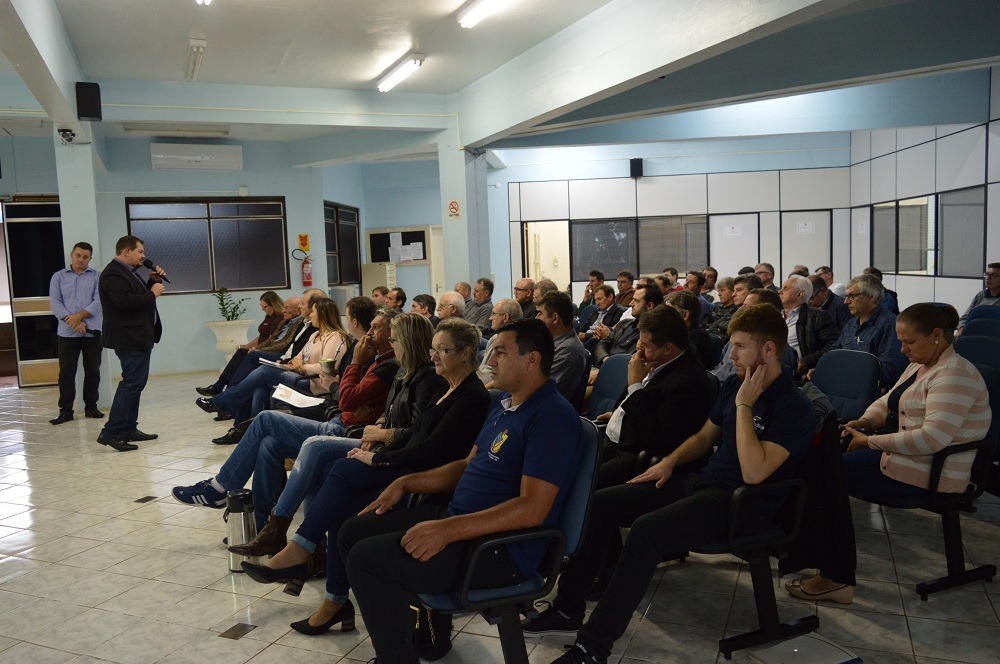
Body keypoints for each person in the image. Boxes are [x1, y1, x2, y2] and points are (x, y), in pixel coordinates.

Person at [533, 304, 814, 664]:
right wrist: (670, 461)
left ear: (769, 349)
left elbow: (755, 473)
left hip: (743, 504)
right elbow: (703, 436)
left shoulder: (792, 406)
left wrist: (745, 406)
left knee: (647, 532)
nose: (732, 355)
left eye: (741, 347)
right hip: (704, 484)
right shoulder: (734, 385)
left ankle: (593, 646)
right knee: (601, 504)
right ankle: (568, 608)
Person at [337, 318, 583, 664]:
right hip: (461, 522)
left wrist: (448, 531)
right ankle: (416, 631)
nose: (490, 360)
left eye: (500, 352)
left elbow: (533, 509)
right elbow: (467, 466)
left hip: (500, 551)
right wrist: (405, 482)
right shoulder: (502, 404)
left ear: (532, 360)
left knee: (368, 561)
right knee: (351, 533)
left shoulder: (552, 417)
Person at [240, 319, 491, 649]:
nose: (435, 357)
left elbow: (434, 449)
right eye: (434, 350)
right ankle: (331, 595)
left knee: (342, 470)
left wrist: (380, 459)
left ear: (466, 354)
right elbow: (414, 433)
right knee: (342, 508)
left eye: (443, 350)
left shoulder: (470, 395)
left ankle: (302, 551)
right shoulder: (447, 387)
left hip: (421, 482)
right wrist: (378, 445)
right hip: (409, 467)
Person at [786, 303, 991, 604]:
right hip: (905, 457)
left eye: (909, 342)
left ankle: (836, 578)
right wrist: (866, 422)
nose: (903, 350)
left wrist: (870, 442)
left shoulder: (954, 375)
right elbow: (887, 401)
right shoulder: (921, 364)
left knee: (825, 477)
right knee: (815, 462)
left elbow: (932, 439)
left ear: (937, 335)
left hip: (932, 470)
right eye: (901, 342)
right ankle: (802, 552)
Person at [172, 310, 441, 529]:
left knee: (265, 417)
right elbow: (348, 399)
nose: (370, 334)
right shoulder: (383, 361)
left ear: (402, 340)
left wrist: (355, 366)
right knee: (268, 443)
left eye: (380, 331)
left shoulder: (389, 366)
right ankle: (262, 525)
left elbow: (347, 397)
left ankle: (222, 487)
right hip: (340, 419)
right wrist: (347, 396)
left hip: (348, 430)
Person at [194, 291, 334, 422]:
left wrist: (301, 365)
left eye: (303, 304)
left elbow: (324, 366)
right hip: (293, 366)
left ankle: (222, 401)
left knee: (261, 371)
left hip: (309, 380)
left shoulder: (333, 336)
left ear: (319, 311)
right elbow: (297, 352)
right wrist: (295, 360)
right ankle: (242, 427)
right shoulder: (312, 331)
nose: (299, 307)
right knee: (259, 387)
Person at [96, 235, 166, 452]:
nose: (143, 256)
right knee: (131, 382)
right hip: (129, 338)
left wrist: (153, 281)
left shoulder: (128, 273)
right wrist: (153, 293)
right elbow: (124, 303)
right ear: (127, 251)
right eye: (140, 252)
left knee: (136, 383)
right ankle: (111, 432)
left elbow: (136, 296)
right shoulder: (112, 274)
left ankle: (128, 428)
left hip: (138, 336)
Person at [810, 275, 908, 389]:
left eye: (852, 296)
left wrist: (847, 370)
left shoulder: (889, 325)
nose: (846, 301)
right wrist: (823, 368)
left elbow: (891, 372)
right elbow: (834, 353)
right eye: (846, 296)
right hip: (845, 385)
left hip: (868, 391)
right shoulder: (851, 325)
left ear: (871, 297)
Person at [196, 296, 302, 398]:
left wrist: (258, 349)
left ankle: (228, 394)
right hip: (269, 349)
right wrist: (256, 348)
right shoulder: (284, 321)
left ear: (298, 310)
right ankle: (219, 385)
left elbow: (284, 344)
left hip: (280, 353)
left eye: (287, 308)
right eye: (284, 307)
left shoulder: (297, 322)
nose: (284, 310)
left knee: (251, 355)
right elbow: (271, 338)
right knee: (242, 351)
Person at [49, 241, 103, 425]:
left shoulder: (97, 276)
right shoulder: (58, 277)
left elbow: (98, 301)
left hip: (92, 332)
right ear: (72, 255)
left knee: (93, 370)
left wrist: (79, 317)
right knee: (66, 373)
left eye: (85, 257)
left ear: (90, 258)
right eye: (78, 255)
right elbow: (56, 303)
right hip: (67, 333)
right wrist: (71, 321)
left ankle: (91, 407)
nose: (81, 259)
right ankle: (66, 411)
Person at [591, 283, 662, 370]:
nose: (630, 303)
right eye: (632, 299)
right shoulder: (624, 324)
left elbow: (633, 364)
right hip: (604, 366)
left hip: (622, 374)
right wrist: (606, 360)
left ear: (649, 306)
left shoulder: (650, 335)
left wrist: (608, 369)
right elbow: (601, 344)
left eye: (636, 301)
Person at [778, 275, 838, 377]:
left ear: (799, 294)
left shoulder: (817, 317)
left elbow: (833, 345)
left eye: (786, 288)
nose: (780, 291)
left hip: (797, 374)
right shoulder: (775, 317)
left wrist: (806, 362)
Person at [537, 291, 589, 406]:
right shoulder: (552, 342)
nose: (536, 318)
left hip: (545, 411)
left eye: (540, 313)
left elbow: (539, 390)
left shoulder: (568, 351)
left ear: (555, 318)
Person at [665, 290, 714, 369]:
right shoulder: (675, 335)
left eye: (669, 312)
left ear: (685, 315)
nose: (665, 316)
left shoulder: (698, 340)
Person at [479, 298, 522, 386]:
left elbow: (504, 378)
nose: (490, 318)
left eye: (494, 314)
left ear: (505, 317)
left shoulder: (511, 342)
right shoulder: (495, 337)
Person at [957, 262, 1000, 334]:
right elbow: (964, 318)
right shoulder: (981, 295)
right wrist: (961, 328)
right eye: (987, 274)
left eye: (993, 275)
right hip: (975, 334)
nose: (988, 278)